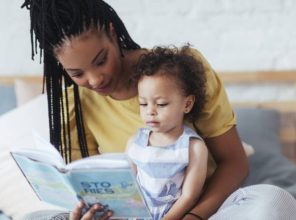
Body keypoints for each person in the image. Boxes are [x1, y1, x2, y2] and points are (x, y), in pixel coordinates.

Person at [20, 0, 296, 219]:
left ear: (112, 32)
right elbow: (92, 189)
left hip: (208, 210)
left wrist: (193, 216)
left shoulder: (179, 72)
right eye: (76, 73)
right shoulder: (74, 106)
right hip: (134, 216)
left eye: (101, 60)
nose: (95, 80)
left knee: (273, 201)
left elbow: (234, 162)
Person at [126, 46, 208, 220]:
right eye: (143, 104)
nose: (150, 111)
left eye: (161, 104)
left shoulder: (193, 147)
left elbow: (189, 196)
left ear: (187, 104)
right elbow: (129, 189)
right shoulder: (135, 142)